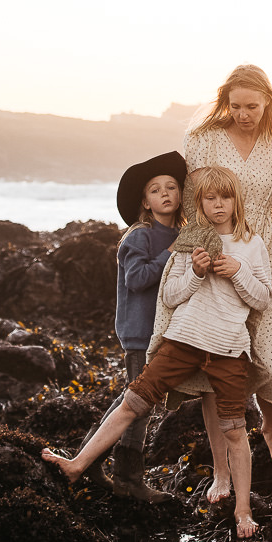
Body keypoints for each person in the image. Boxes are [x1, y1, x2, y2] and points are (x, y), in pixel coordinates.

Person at [43, 166, 269, 540]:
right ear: (198, 203)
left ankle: (242, 509)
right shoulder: (189, 240)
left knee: (234, 429)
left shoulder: (252, 245)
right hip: (182, 341)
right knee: (133, 402)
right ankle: (78, 464)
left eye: (225, 197)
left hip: (229, 348)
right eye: (209, 198)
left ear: (236, 200)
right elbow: (169, 295)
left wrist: (238, 271)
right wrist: (196, 272)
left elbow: (261, 298)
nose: (217, 204)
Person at [158, 65, 272, 498]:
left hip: (262, 258)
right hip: (215, 260)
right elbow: (191, 201)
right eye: (236, 106)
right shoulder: (203, 137)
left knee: (267, 353)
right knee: (216, 368)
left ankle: (268, 426)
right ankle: (222, 471)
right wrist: (201, 261)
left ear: (268, 104)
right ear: (225, 100)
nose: (244, 114)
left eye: (253, 107)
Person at [102, 149, 187, 499]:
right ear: (146, 201)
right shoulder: (140, 235)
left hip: (164, 333)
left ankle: (89, 458)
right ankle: (127, 479)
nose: (165, 193)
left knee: (132, 400)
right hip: (140, 333)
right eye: (155, 189)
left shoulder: (180, 234)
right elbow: (137, 279)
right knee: (139, 405)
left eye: (171, 186)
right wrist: (171, 254)